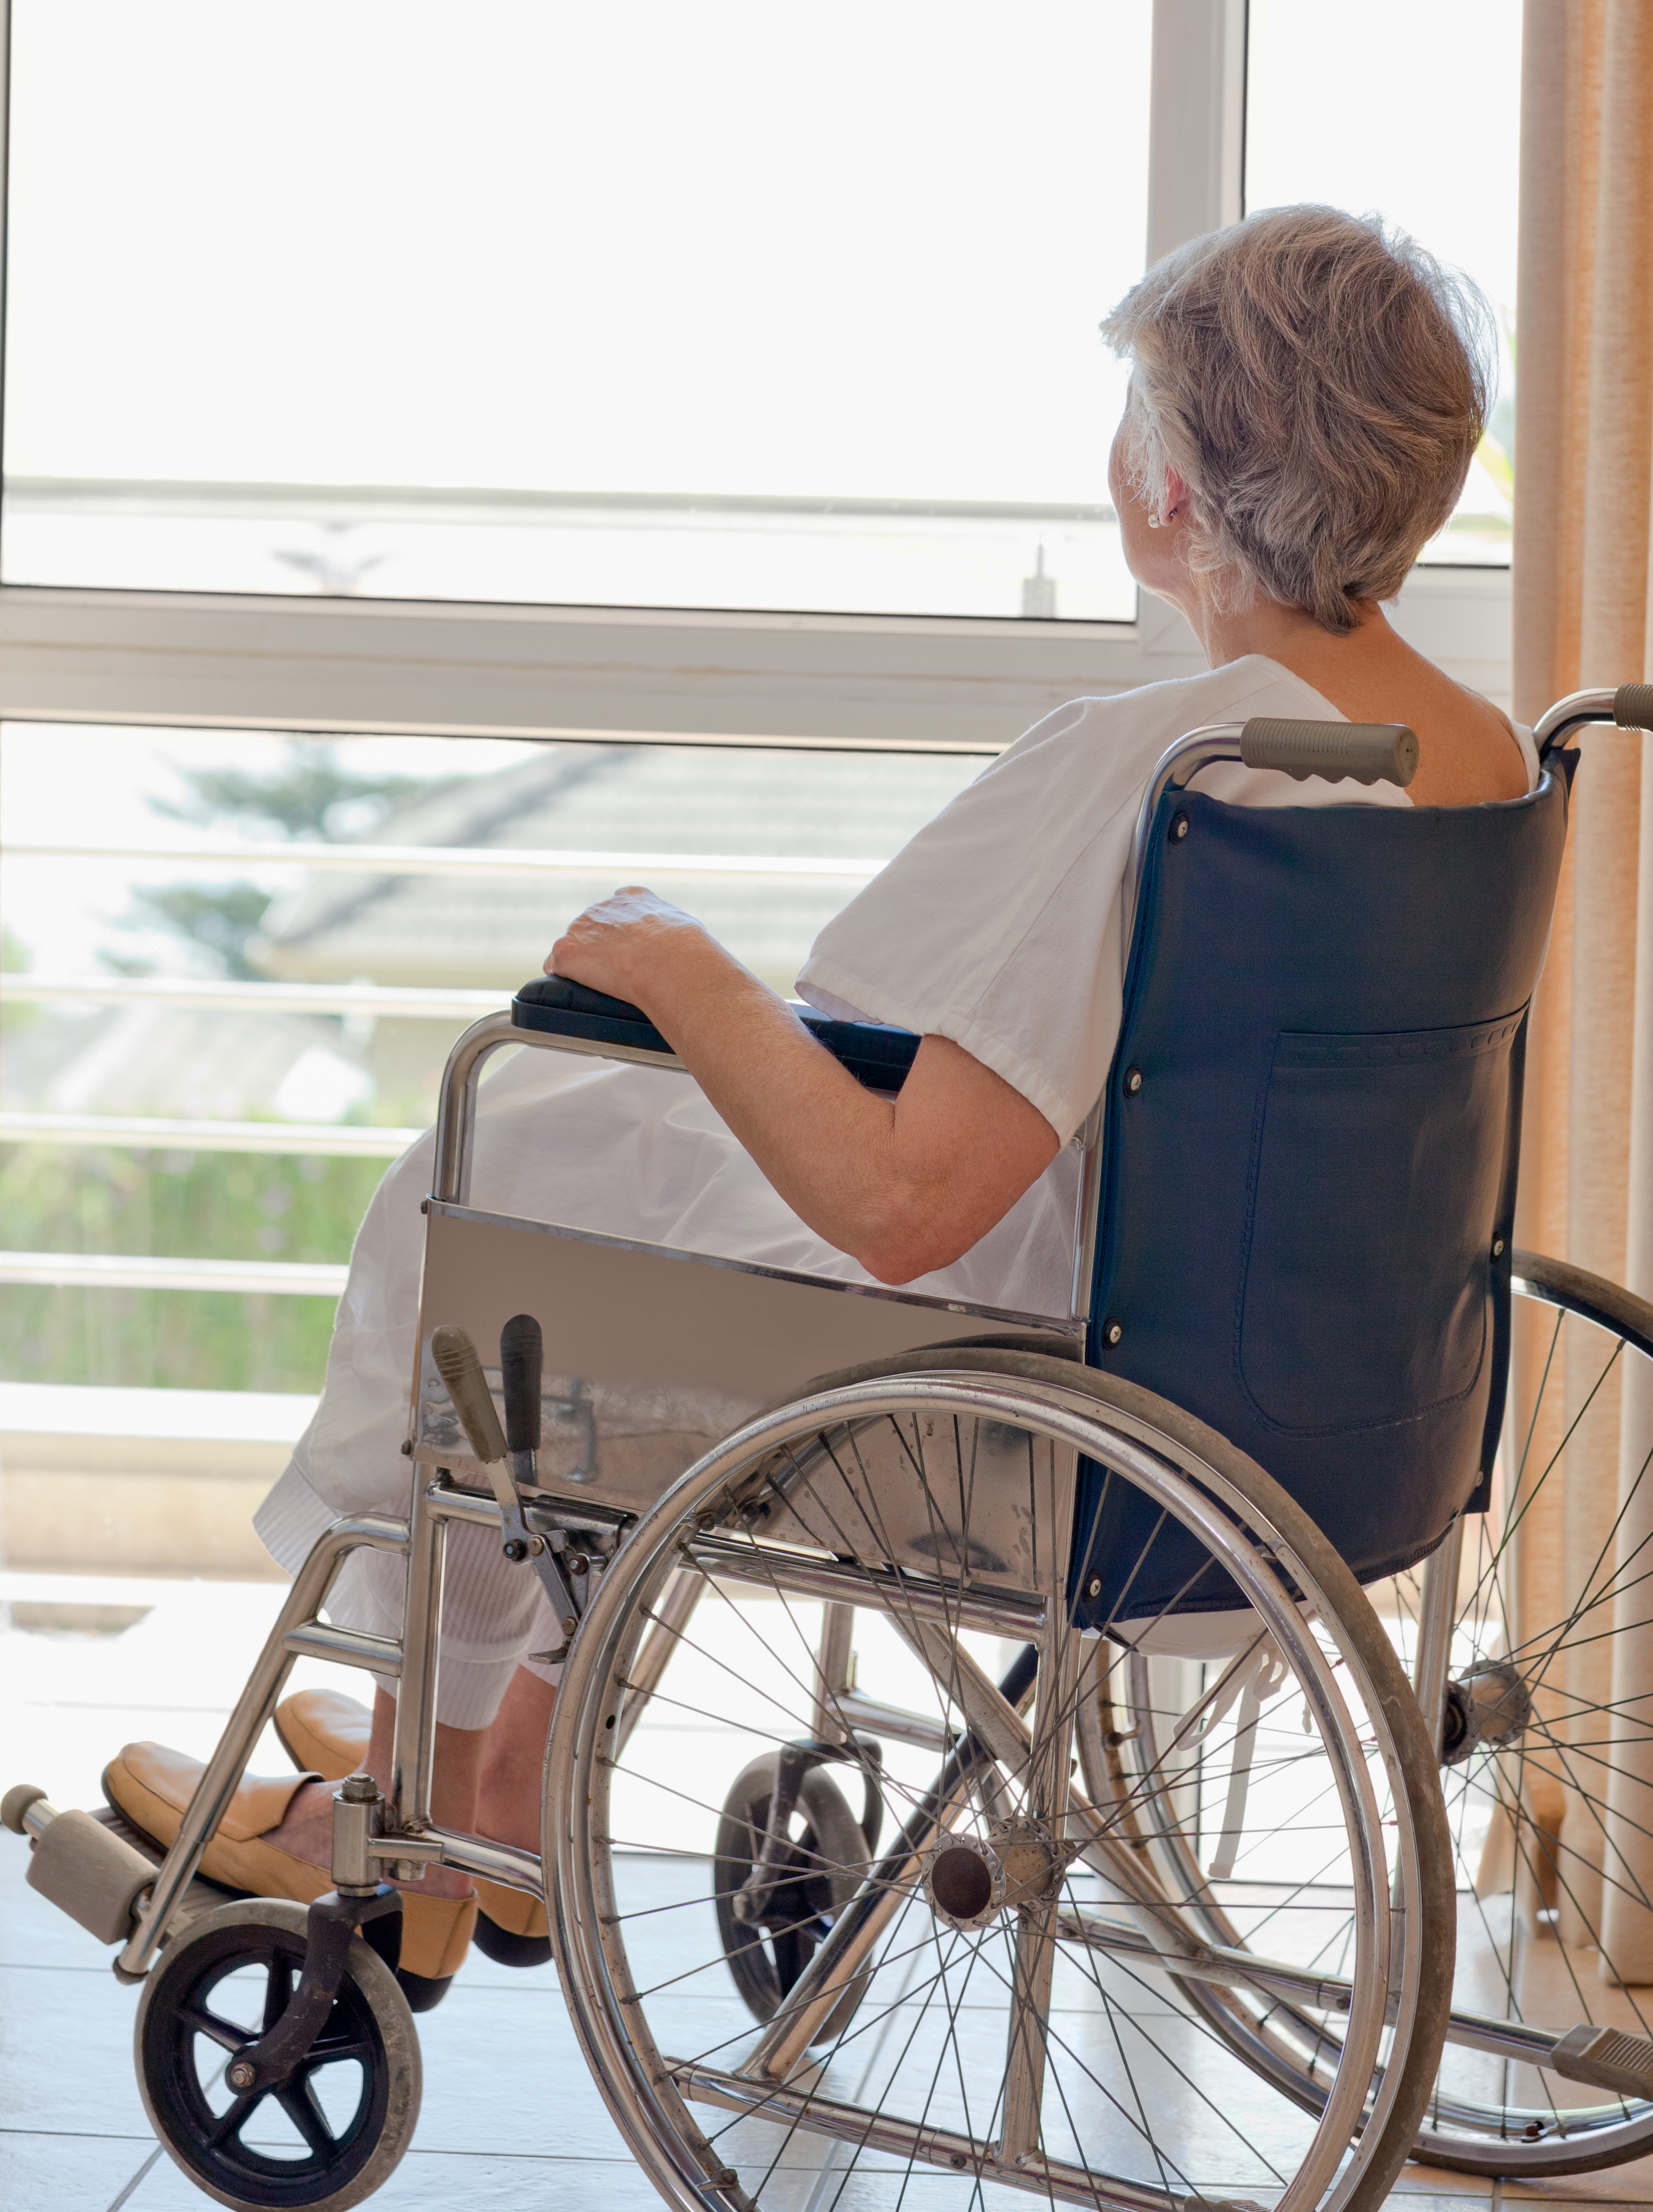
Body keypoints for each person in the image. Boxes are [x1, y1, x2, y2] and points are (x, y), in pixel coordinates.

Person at [106, 205, 1533, 1992]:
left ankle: (436, 1796)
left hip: (1031, 1375)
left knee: (487, 1173)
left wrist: (676, 965)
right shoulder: (1471, 760)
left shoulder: (1163, 767)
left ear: (1174, 487)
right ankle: (510, 1755)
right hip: (1307, 1371)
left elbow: (901, 1199)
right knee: (591, 1184)